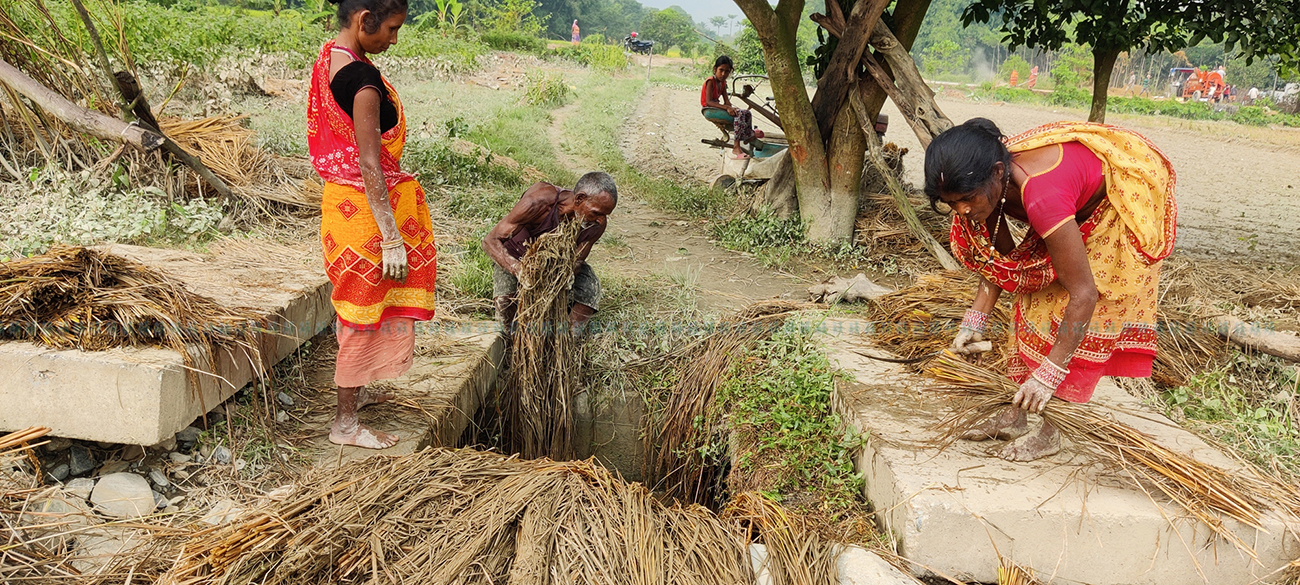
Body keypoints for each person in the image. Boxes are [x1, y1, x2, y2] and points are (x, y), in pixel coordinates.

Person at [925, 118, 1177, 462]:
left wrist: (1049, 373)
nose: (962, 211)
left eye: (966, 199)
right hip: (1067, 207)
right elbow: (1001, 263)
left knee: (1071, 313)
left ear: (998, 172)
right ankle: (1015, 415)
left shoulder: (1042, 196)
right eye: (951, 203)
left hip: (1111, 214)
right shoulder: (983, 189)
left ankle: (1050, 429)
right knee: (1031, 299)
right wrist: (975, 319)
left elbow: (1084, 294)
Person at [308, 0, 436, 449]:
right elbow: (368, 163)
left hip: (342, 208)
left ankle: (355, 394)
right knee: (363, 314)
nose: (394, 39)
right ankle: (344, 424)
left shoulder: (333, 58)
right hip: (363, 217)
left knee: (362, 310)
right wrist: (392, 238)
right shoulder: (361, 82)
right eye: (392, 29)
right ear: (365, 20)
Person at [483, 172, 618, 333]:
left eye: (605, 215)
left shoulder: (596, 225)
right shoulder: (538, 202)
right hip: (517, 255)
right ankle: (510, 347)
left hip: (557, 264)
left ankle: (564, 343)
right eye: (596, 212)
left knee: (590, 290)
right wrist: (518, 270)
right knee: (506, 306)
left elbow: (578, 259)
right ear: (579, 199)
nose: (601, 220)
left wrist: (564, 275)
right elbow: (490, 241)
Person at [701, 55, 758, 160]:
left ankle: (749, 135)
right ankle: (736, 147)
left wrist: (732, 108)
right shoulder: (710, 81)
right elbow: (708, 102)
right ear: (715, 69)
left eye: (727, 71)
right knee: (739, 116)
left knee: (746, 113)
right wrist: (727, 108)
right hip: (709, 110)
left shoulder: (723, 83)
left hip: (718, 108)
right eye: (721, 70)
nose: (723, 74)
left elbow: (727, 101)